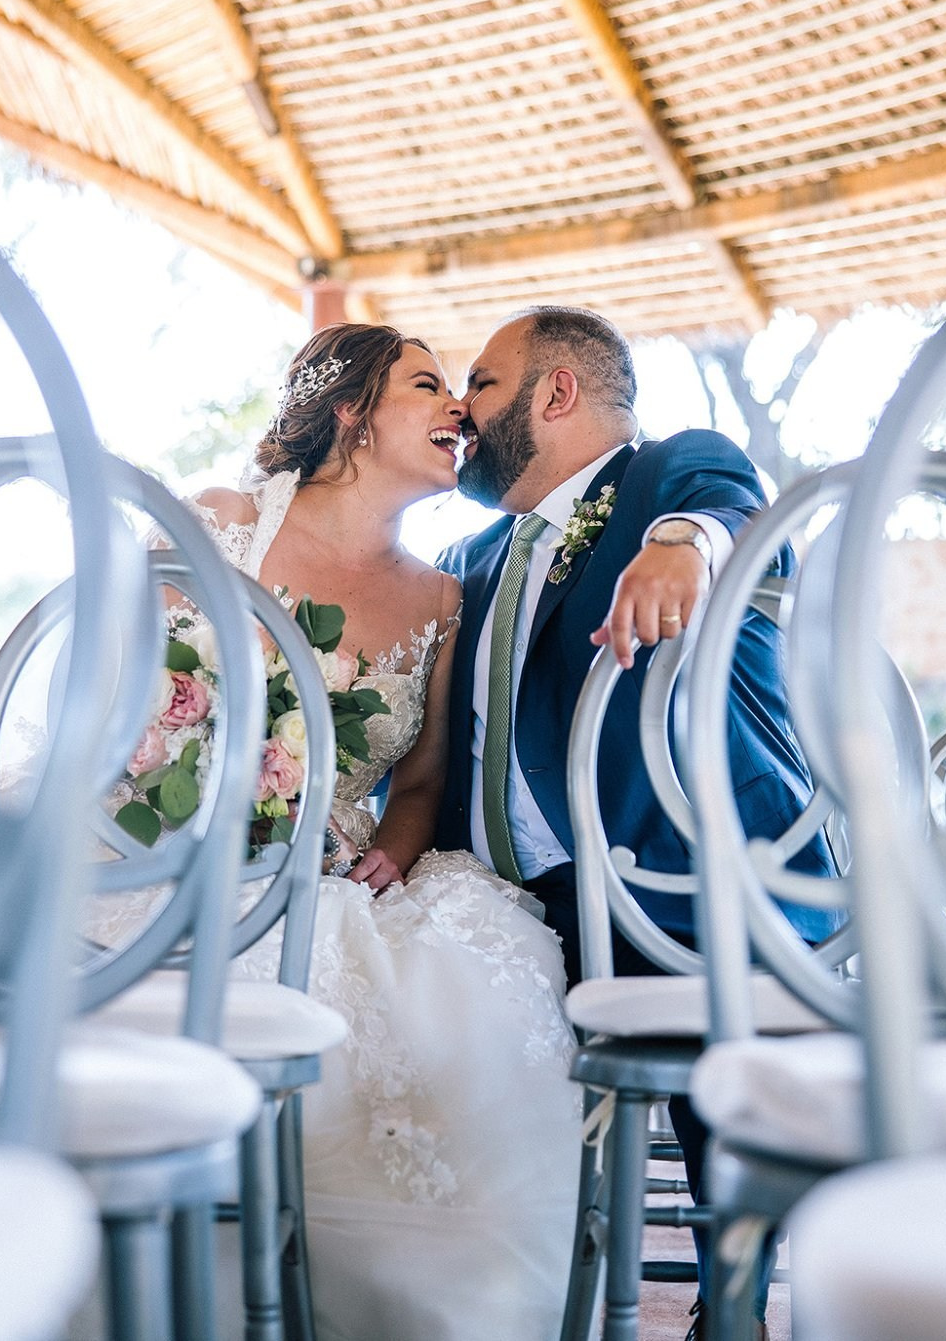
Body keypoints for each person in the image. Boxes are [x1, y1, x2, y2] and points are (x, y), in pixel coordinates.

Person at [136, 323, 584, 1341]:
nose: (459, 412)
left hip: (338, 875)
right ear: (347, 410)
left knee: (464, 982)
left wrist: (393, 846)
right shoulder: (217, 526)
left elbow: (419, 782)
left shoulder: (438, 596)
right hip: (173, 849)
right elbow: (119, 709)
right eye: (428, 385)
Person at [435, 305, 836, 1337]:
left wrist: (680, 549)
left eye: (479, 385)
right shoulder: (472, 560)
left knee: (703, 1006)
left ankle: (732, 1305)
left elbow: (725, 499)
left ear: (555, 393)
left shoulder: (667, 476)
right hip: (513, 902)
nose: (459, 412)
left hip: (678, 881)